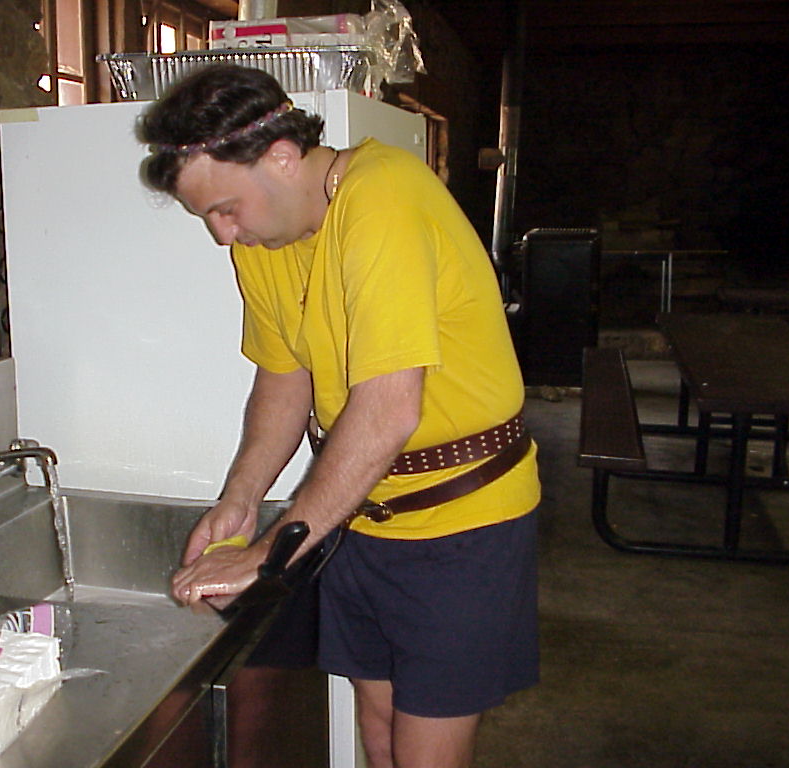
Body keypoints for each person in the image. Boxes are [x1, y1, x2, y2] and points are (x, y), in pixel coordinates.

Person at [138, 64, 541, 768]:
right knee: (379, 735)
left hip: (463, 524)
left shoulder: (384, 196)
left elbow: (388, 410)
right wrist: (241, 502)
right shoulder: (267, 240)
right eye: (208, 218)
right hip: (358, 513)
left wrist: (271, 553)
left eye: (226, 209)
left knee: (425, 755)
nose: (223, 235)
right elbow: (284, 377)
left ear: (282, 157)